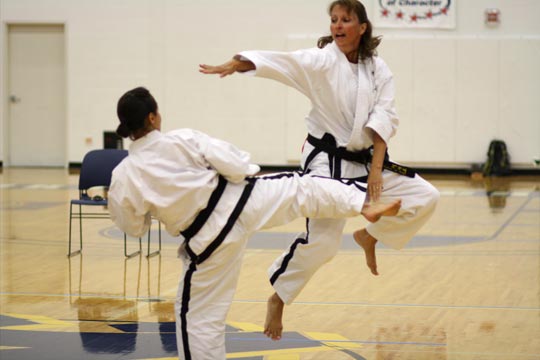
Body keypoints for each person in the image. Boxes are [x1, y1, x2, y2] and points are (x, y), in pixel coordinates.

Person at [199, 0, 440, 341]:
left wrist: (375, 171)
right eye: (334, 20)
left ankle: (369, 236)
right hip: (327, 163)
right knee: (324, 245)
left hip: (366, 161)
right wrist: (238, 63)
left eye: (345, 20)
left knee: (425, 196)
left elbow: (385, 118)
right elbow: (284, 63)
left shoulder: (378, 69)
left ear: (363, 27)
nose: (338, 26)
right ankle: (278, 297)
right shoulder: (322, 60)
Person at [107, 87, 401, 360]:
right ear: (152, 117)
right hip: (242, 200)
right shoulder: (182, 139)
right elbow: (234, 164)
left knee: (198, 318)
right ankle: (362, 202)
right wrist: (241, 174)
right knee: (303, 189)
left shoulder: (124, 174)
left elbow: (133, 227)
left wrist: (152, 211)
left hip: (208, 238)